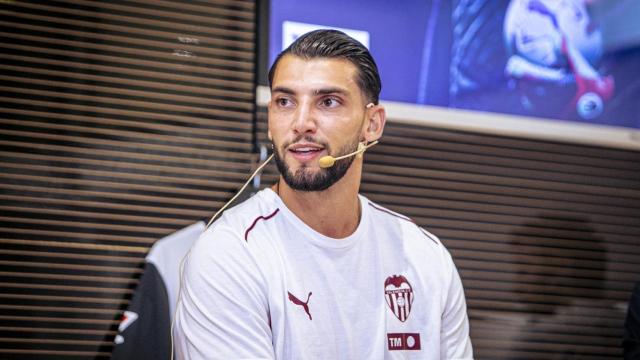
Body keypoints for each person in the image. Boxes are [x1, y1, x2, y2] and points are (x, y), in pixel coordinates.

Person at [173, 29, 473, 359]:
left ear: (372, 124)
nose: (301, 123)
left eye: (328, 102)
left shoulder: (426, 258)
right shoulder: (230, 254)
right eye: (285, 102)